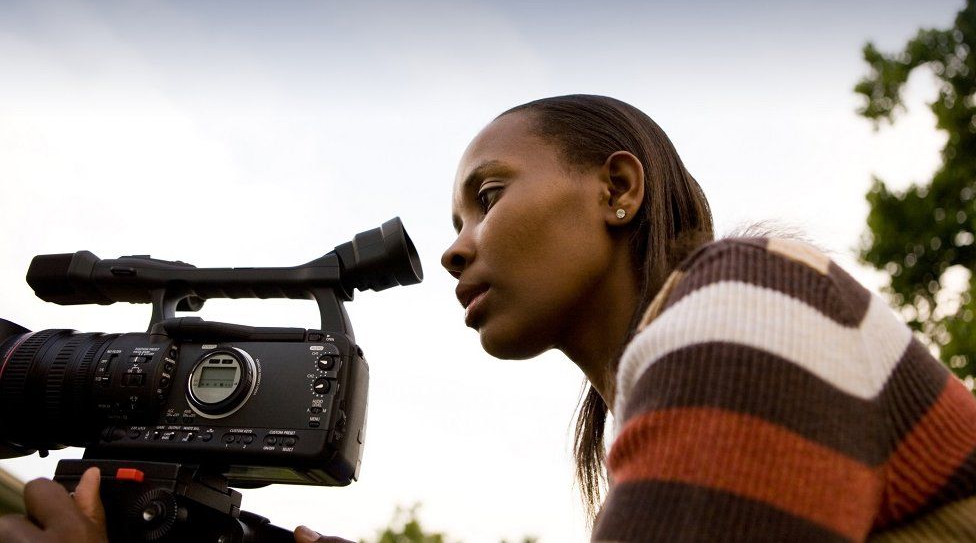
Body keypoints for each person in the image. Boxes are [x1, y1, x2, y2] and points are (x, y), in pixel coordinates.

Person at [4, 94, 976, 542]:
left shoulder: (744, 304)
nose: (459, 247)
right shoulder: (672, 372)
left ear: (619, 189)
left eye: (490, 195)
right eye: (453, 221)